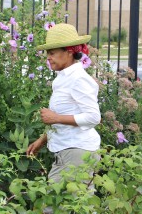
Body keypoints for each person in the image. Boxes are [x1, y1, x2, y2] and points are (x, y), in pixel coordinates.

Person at [26, 23, 101, 187]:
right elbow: (64, 116)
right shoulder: (63, 78)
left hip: (77, 152)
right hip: (68, 150)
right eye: (47, 53)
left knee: (63, 206)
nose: (48, 57)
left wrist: (56, 117)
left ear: (69, 52)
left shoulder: (78, 79)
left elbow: (94, 117)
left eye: (52, 53)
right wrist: (42, 140)